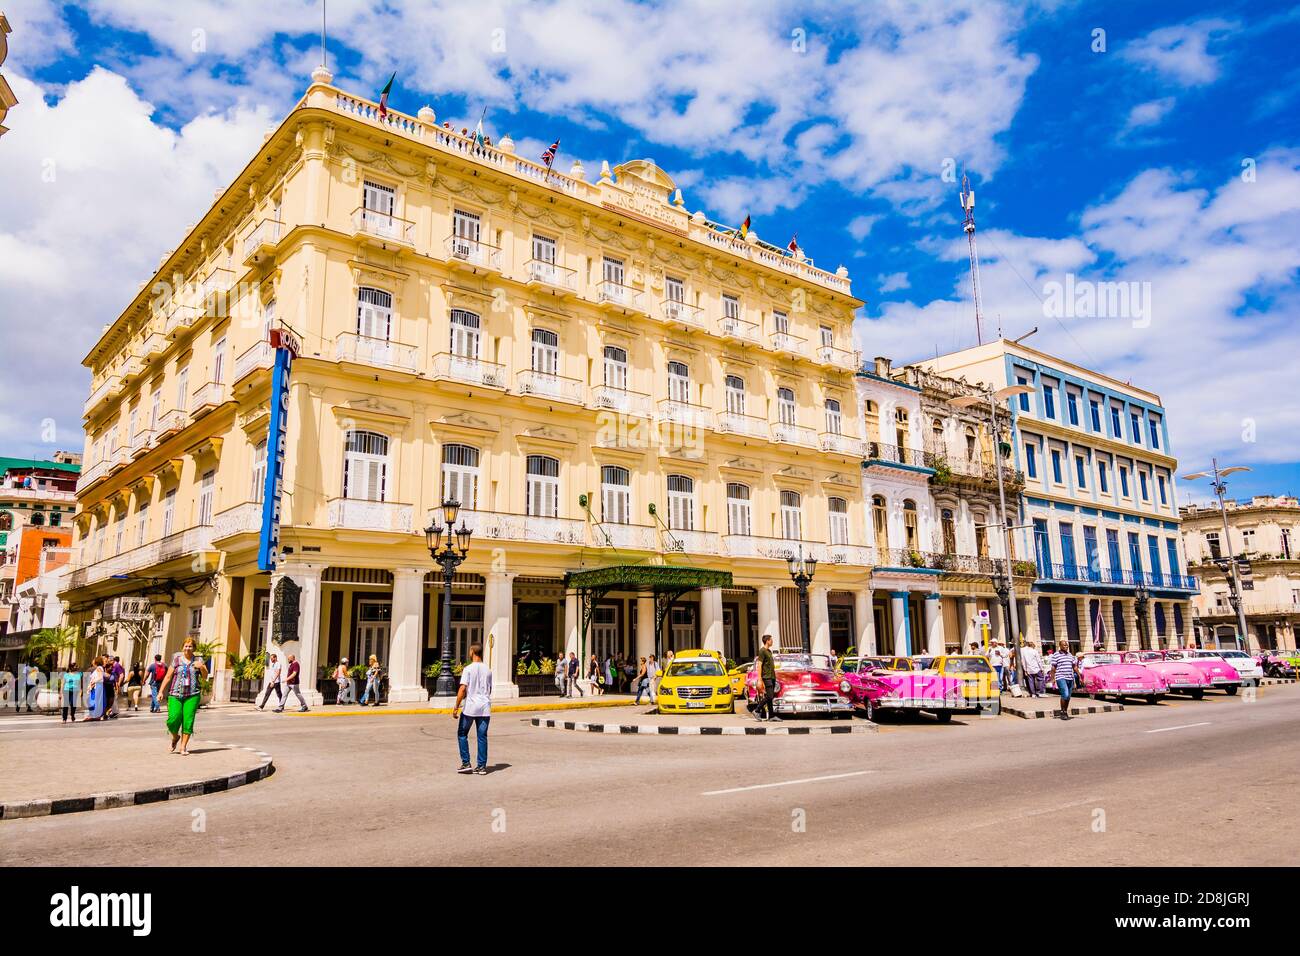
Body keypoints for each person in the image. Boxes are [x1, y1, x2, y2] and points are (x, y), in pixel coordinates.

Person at [160, 637, 208, 754]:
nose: (188, 648)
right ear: (182, 648)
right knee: (173, 719)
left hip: (192, 695)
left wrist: (201, 667)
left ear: (194, 648)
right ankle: (175, 737)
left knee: (188, 720)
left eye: (190, 646)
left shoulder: (198, 661)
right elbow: (168, 677)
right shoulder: (176, 660)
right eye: (186, 646)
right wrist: (161, 691)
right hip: (175, 694)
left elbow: (205, 677)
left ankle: (183, 747)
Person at [453, 643, 493, 774]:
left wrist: (456, 707)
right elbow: (490, 689)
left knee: (462, 733)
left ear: (472, 652)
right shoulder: (488, 669)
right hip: (484, 707)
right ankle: (481, 766)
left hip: (470, 707)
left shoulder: (468, 669)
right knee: (482, 737)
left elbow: (463, 688)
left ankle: (466, 762)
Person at [1046, 639, 1077, 720]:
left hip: (1070, 677)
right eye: (1064, 645)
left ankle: (1065, 711)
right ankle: (1062, 712)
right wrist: (1052, 678)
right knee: (1065, 694)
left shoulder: (1070, 655)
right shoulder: (1056, 655)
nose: (1066, 646)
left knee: (1068, 697)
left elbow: (1074, 667)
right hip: (1061, 677)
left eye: (1067, 645)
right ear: (1060, 646)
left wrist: (1080, 677)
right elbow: (1053, 667)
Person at [755, 635, 779, 721]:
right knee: (769, 696)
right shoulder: (762, 651)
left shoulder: (769, 651)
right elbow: (760, 665)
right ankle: (757, 710)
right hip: (766, 677)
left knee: (770, 697)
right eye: (771, 640)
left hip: (772, 676)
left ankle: (771, 716)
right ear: (767, 641)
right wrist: (759, 679)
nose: (772, 641)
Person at [83, 657, 107, 721]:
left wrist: (93, 682)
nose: (92, 661)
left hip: (97, 686)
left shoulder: (99, 668)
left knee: (94, 700)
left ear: (96, 662)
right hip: (96, 686)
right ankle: (95, 715)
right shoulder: (98, 668)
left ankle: (95, 715)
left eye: (93, 660)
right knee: (94, 700)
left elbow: (100, 677)